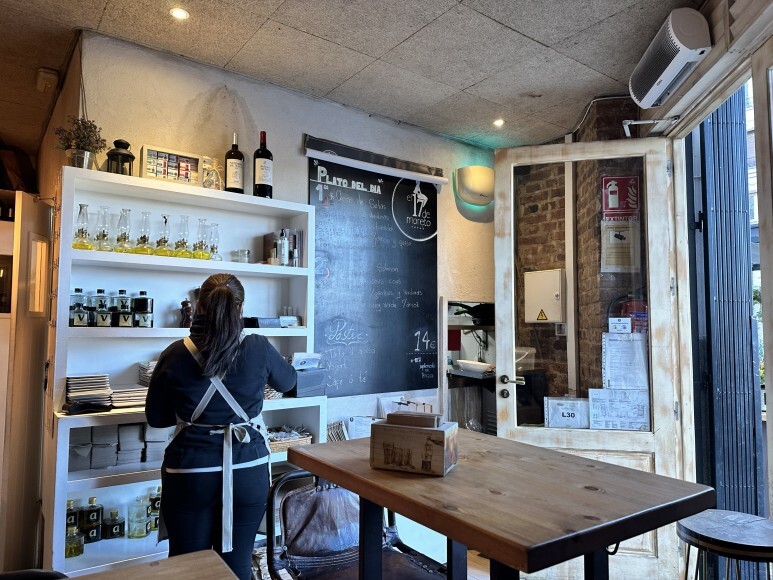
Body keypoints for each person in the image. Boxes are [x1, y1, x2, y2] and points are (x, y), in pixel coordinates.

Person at [146, 273, 297, 579]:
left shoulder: (175, 354)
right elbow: (289, 382)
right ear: (240, 308)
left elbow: (157, 418)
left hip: (190, 472)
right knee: (237, 566)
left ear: (198, 306)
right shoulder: (258, 347)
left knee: (188, 569)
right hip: (247, 469)